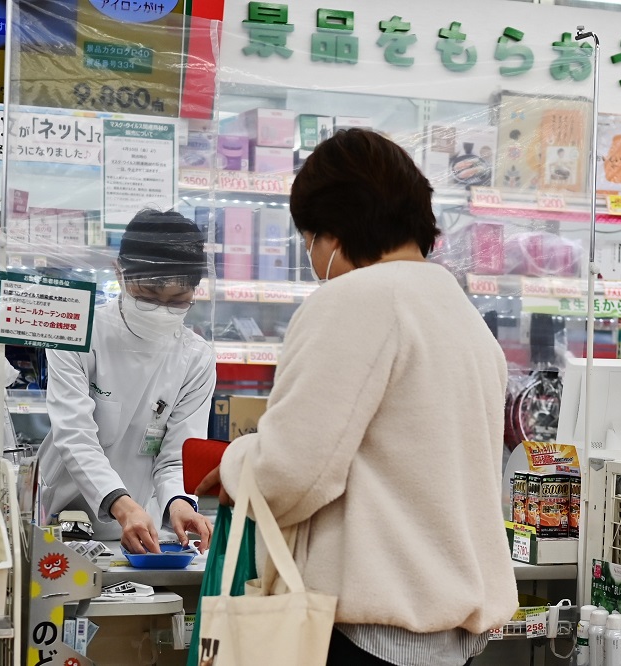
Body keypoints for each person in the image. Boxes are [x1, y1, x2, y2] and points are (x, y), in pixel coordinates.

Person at [197, 129, 518, 666]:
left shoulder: (356, 299)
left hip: (365, 630)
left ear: (336, 233)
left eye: (310, 238)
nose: (311, 254)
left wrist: (236, 462)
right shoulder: (459, 311)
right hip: (448, 631)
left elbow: (291, 471)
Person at [37, 209, 215, 554]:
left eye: (178, 302)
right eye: (147, 296)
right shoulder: (77, 331)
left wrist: (179, 502)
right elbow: (75, 434)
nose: (161, 310)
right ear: (119, 272)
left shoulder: (196, 357)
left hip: (139, 526)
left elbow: (178, 454)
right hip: (61, 512)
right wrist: (122, 504)